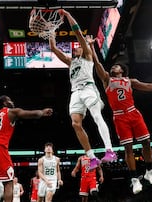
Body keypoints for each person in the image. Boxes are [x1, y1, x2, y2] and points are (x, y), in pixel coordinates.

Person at [89, 38, 152, 194]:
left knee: (147, 142)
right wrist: (91, 47)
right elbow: (98, 65)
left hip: (133, 113)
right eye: (112, 66)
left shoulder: (130, 81)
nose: (113, 67)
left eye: (116, 66)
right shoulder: (107, 80)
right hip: (120, 117)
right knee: (128, 148)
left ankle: (149, 172)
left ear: (122, 70)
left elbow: (147, 86)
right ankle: (135, 180)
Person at [49, 9, 117, 170]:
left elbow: (78, 32)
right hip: (76, 93)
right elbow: (52, 48)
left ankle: (110, 151)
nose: (76, 48)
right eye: (75, 48)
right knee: (75, 124)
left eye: (78, 46)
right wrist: (51, 30)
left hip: (88, 88)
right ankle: (92, 158)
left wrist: (67, 15)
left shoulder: (87, 55)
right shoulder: (70, 61)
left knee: (96, 116)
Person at [0, 95, 53, 202]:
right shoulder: (11, 112)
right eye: (9, 100)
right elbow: (31, 114)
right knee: (9, 182)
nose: (12, 102)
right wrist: (43, 112)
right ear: (5, 103)